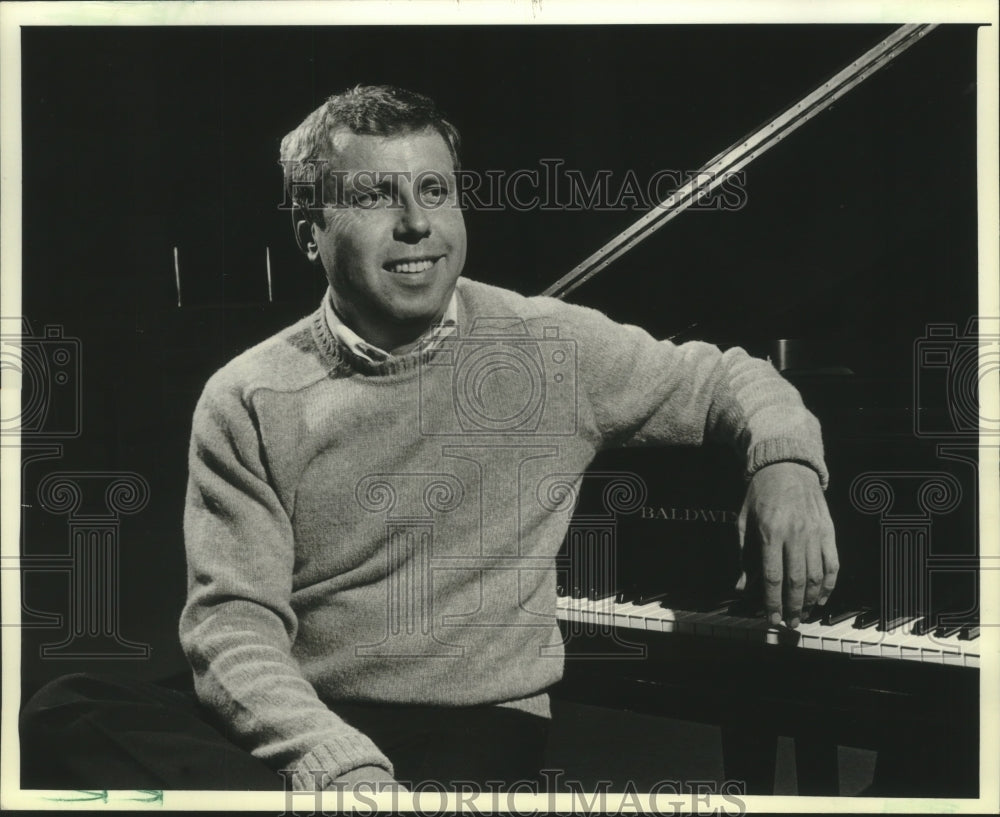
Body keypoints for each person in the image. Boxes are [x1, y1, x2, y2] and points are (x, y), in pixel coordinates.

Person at [21, 84, 838, 794]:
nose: (417, 224)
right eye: (377, 196)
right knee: (69, 707)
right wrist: (334, 759)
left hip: (467, 719)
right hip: (300, 711)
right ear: (312, 233)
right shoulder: (247, 394)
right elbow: (231, 628)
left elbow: (729, 376)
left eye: (436, 191)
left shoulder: (551, 347)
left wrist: (786, 465)